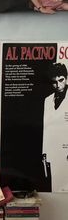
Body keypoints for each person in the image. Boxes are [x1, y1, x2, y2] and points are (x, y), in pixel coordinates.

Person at [42, 62, 68, 191]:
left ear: (66, 78)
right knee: (56, 188)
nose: (58, 85)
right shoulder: (47, 100)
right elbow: (46, 128)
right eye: (54, 82)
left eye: (61, 80)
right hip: (53, 152)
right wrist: (44, 152)